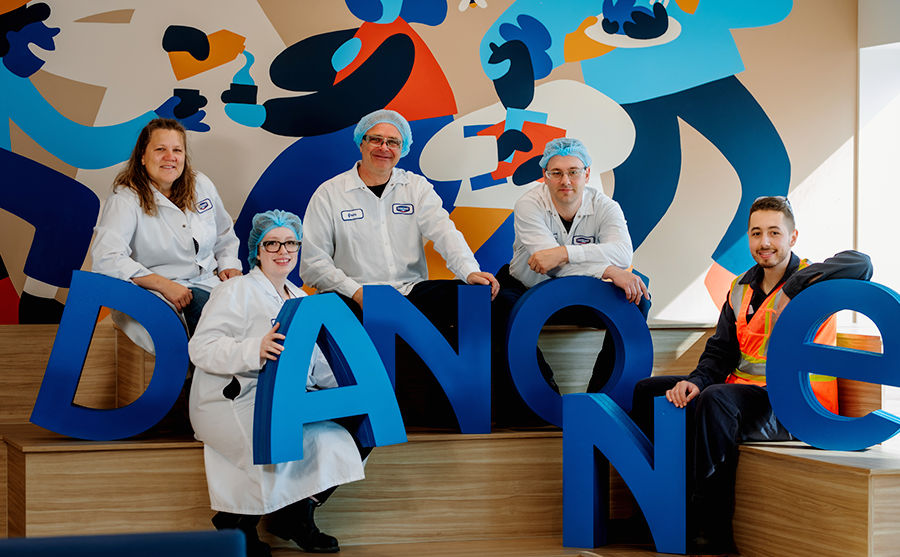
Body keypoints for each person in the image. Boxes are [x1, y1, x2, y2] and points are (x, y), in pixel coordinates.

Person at [630, 196, 872, 554]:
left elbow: (862, 264)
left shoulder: (815, 282)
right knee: (651, 390)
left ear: (793, 237)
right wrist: (694, 382)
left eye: (775, 232)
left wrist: (794, 286)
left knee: (716, 401)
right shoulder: (740, 288)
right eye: (756, 233)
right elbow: (721, 352)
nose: (765, 242)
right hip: (746, 394)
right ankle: (653, 510)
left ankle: (709, 528)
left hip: (797, 404)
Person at [300, 109, 499, 425]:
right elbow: (312, 266)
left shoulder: (415, 188)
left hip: (410, 292)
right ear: (361, 143)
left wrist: (469, 270)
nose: (384, 148)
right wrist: (357, 292)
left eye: (393, 141)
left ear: (403, 148)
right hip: (355, 297)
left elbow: (443, 231)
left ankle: (489, 405)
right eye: (376, 139)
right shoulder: (330, 194)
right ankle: (380, 416)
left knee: (475, 296)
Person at [189, 210, 366, 557]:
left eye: (290, 243)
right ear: (258, 249)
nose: (282, 250)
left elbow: (315, 361)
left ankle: (297, 515)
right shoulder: (233, 291)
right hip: (234, 397)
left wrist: (352, 385)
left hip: (288, 399)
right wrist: (255, 348)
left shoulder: (300, 298)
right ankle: (235, 524)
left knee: (359, 425)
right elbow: (201, 347)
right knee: (272, 441)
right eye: (272, 243)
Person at [492, 137, 650, 425]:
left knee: (637, 296)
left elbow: (622, 252)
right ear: (545, 176)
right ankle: (540, 402)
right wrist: (606, 270)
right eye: (557, 173)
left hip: (580, 293)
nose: (566, 180)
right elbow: (545, 264)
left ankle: (604, 403)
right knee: (498, 306)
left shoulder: (606, 206)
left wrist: (565, 253)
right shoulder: (529, 204)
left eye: (574, 171)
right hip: (527, 288)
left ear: (587, 174)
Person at [92, 118, 240, 344]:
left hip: (209, 282)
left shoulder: (200, 184)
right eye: (160, 149)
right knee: (214, 322)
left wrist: (229, 264)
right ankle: (209, 380)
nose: (170, 157)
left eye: (177, 150)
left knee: (256, 312)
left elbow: (223, 233)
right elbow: (106, 258)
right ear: (142, 156)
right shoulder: (126, 200)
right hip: (159, 292)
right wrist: (163, 284)